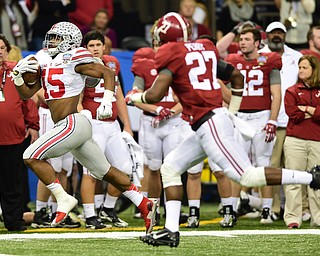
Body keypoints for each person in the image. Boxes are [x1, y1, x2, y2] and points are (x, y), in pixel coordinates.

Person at [127, 12, 320, 247]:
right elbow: (236, 77)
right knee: (170, 168)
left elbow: (155, 94)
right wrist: (233, 111)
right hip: (208, 121)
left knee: (247, 175)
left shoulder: (172, 53)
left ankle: (313, 177)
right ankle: (171, 230)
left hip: (210, 123)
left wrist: (136, 97)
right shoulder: (205, 48)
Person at [11, 21, 158, 233]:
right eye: (51, 37)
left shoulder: (75, 56)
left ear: (69, 40)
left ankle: (63, 198)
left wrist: (107, 101)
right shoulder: (43, 57)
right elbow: (27, 94)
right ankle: (144, 203)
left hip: (73, 122)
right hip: (68, 125)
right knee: (104, 170)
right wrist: (18, 77)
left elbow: (108, 74)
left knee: (30, 155)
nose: (52, 41)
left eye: (57, 38)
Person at [80, 30, 137, 229]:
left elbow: (118, 95)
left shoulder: (112, 62)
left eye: (98, 45)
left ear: (104, 47)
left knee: (125, 169)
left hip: (112, 124)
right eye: (91, 46)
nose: (95, 49)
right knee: (91, 172)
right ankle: (89, 216)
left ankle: (107, 209)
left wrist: (127, 126)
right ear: (85, 48)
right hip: (93, 123)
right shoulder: (80, 65)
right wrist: (83, 118)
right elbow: (77, 98)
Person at [224, 27, 282, 224]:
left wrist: (273, 120)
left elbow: (276, 94)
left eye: (247, 39)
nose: (242, 42)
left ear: (257, 43)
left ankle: (266, 210)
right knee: (235, 165)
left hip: (261, 117)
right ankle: (231, 210)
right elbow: (218, 81)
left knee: (263, 164)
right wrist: (229, 107)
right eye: (241, 39)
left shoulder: (269, 61)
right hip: (239, 118)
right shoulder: (233, 60)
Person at [259, 21, 303, 219]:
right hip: (271, 119)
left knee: (295, 165)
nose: (277, 36)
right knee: (272, 165)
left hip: (294, 119)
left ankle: (299, 209)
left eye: (280, 32)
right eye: (273, 33)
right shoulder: (260, 57)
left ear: (285, 35)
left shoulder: (297, 56)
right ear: (267, 35)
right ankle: (274, 208)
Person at [0, 34, 39, 231]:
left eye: (1, 48)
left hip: (14, 137)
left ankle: (14, 222)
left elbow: (28, 100)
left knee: (13, 184)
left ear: (7, 51)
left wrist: (33, 125)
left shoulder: (16, 72)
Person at [283, 55, 320, 228]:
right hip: (294, 140)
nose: (301, 71)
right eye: (299, 67)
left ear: (314, 69)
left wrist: (305, 108)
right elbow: (294, 115)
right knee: (293, 180)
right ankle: (292, 218)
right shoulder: (291, 91)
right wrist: (313, 111)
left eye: (304, 67)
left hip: (317, 140)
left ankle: (318, 218)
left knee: (318, 182)